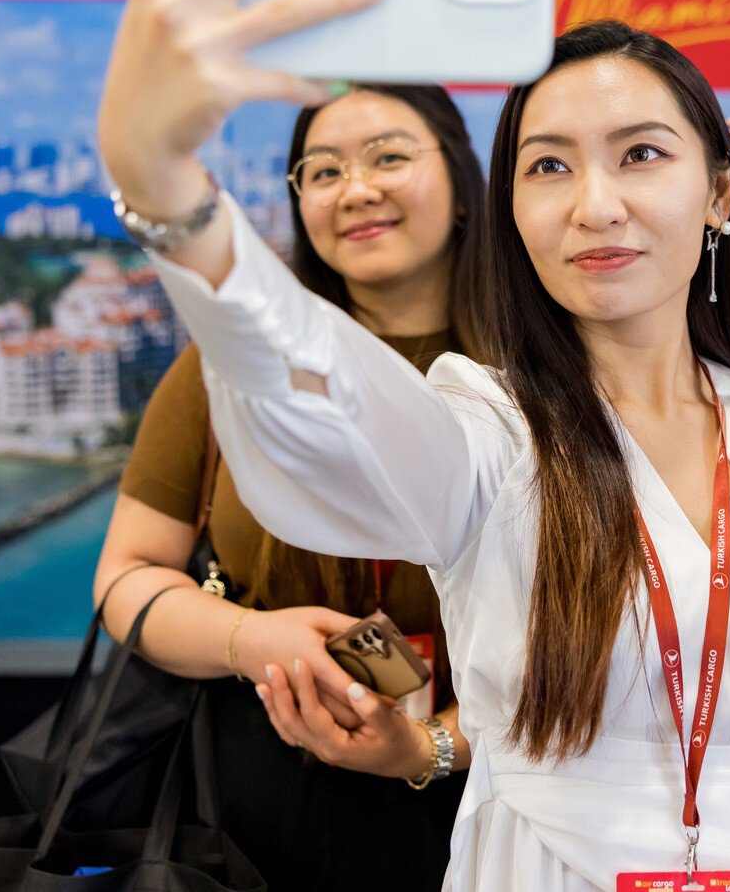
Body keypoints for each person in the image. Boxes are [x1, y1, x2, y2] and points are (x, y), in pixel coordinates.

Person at [94, 0, 730, 890]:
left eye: (640, 153)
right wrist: (167, 189)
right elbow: (315, 411)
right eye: (549, 166)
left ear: (717, 189)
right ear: (509, 207)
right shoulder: (485, 426)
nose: (594, 203)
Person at [93, 75, 487, 892]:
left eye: (389, 157)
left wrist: (434, 744)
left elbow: (600, 648)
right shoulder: (235, 365)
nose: (358, 189)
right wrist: (249, 639)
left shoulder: (543, 375)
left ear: (459, 181)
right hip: (248, 792)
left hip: (483, 795)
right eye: (324, 169)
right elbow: (125, 576)